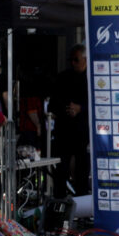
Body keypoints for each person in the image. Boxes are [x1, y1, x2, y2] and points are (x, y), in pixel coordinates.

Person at [50, 45, 89, 197]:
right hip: (64, 131)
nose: (73, 63)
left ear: (85, 59)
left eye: (76, 60)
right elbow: (53, 104)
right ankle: (60, 202)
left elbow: (99, 103)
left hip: (83, 132)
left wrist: (80, 108)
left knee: (82, 171)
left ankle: (82, 201)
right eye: (70, 60)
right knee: (61, 170)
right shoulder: (63, 77)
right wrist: (68, 109)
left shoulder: (92, 77)